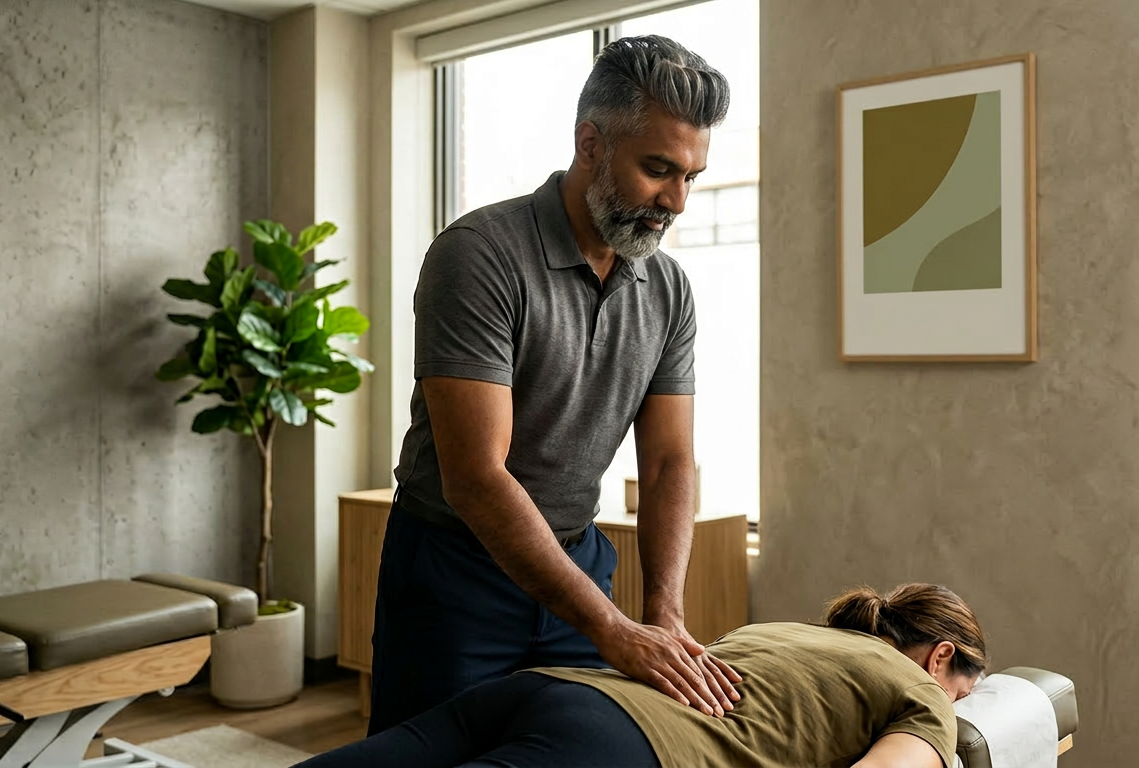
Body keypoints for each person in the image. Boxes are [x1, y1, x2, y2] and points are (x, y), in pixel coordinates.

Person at [368, 34, 739, 736]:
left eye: (691, 175)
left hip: (576, 562)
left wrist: (661, 614)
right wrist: (611, 627)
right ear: (590, 144)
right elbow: (477, 477)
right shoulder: (479, 256)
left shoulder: (667, 288)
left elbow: (667, 464)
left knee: (572, 750)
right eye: (658, 169)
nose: (677, 200)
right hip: (455, 575)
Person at [297, 582, 986, 768]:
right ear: (942, 656)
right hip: (622, 746)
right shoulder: (926, 694)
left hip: (556, 688)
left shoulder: (785, 631)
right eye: (966, 691)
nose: (958, 706)